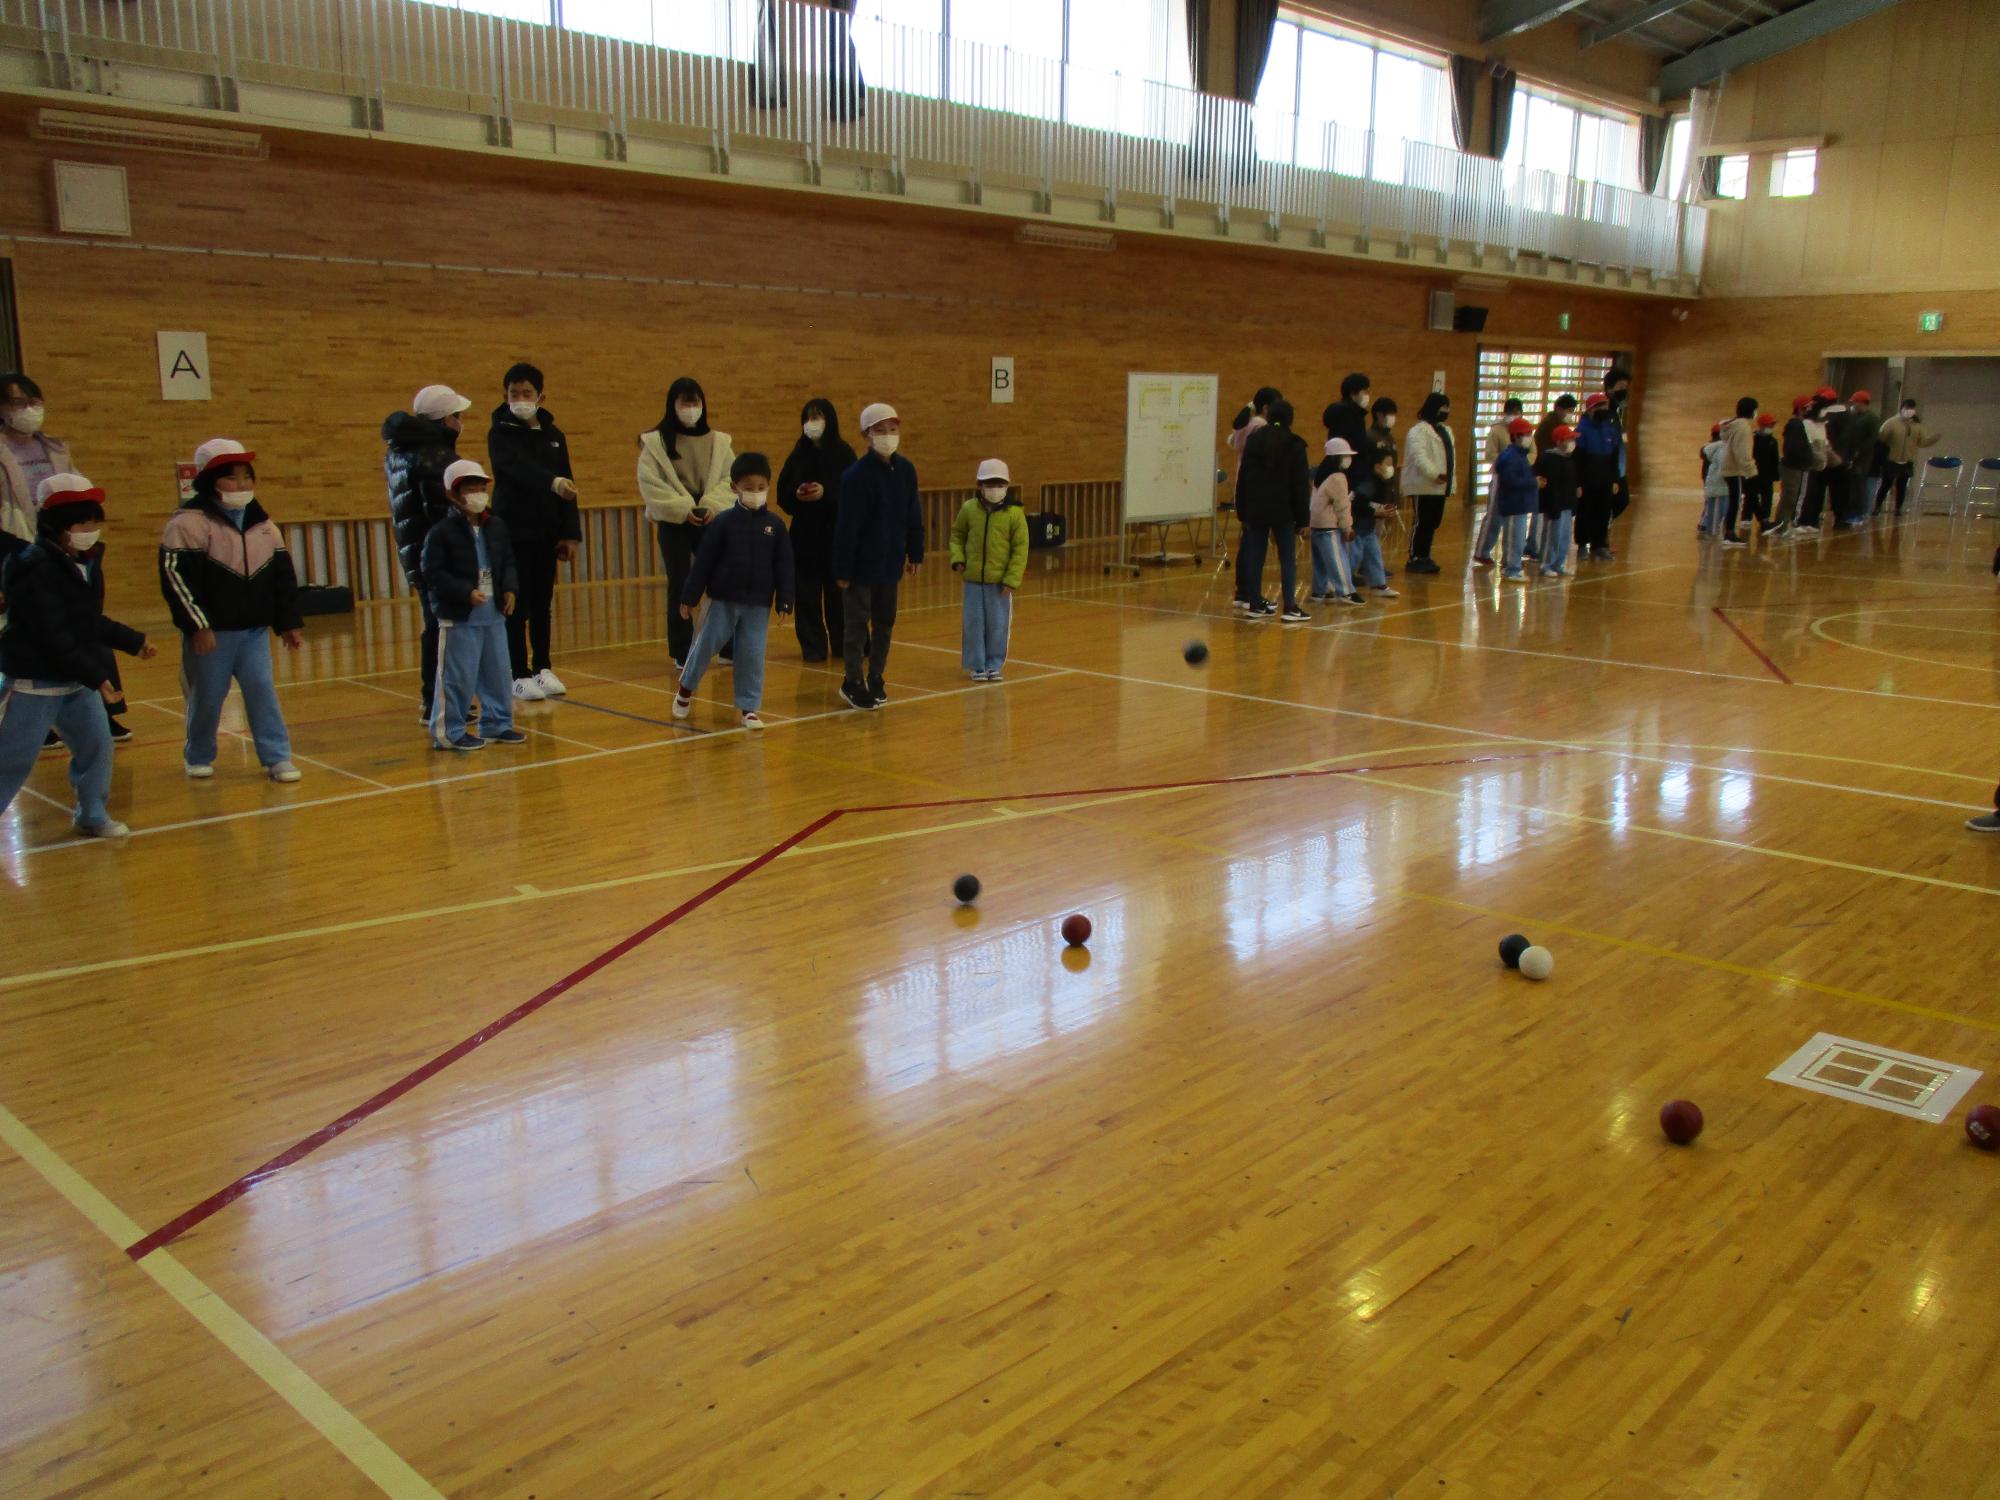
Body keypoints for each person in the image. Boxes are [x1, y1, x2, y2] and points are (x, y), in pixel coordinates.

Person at [0, 474, 156, 838]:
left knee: (97, 747)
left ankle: (92, 814)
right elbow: (54, 633)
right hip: (34, 682)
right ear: (58, 526)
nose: (91, 529)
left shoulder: (87, 563)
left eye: (93, 521)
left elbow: (87, 621)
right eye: (82, 522)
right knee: (12, 758)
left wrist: (132, 641)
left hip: (74, 681)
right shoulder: (32, 567)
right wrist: (97, 675)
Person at [159, 438, 305, 783]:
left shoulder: (264, 525)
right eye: (232, 478)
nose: (241, 485)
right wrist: (198, 626)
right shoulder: (187, 524)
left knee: (261, 689)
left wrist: (288, 622)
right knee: (208, 695)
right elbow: (177, 582)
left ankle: (276, 756)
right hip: (213, 634)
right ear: (211, 481)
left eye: (246, 477)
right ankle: (198, 753)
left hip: (253, 632)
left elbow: (282, 577)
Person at [1, 370, 129, 745]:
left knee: (85, 623)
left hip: (65, 543)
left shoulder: (55, 447)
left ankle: (106, 711)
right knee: (36, 631)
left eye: (34, 401)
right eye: (18, 402)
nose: (29, 409)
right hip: (16, 544)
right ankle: (38, 721)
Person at [672, 453, 794, 730]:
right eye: (748, 488)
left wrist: (785, 601)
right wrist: (689, 597)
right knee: (705, 647)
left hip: (758, 603)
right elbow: (703, 562)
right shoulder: (723, 523)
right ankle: (685, 690)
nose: (755, 493)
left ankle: (748, 708)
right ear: (735, 488)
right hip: (723, 600)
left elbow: (784, 566)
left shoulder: (775, 527)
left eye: (761, 487)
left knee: (751, 654)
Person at [487, 362, 579, 704]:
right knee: (517, 602)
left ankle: (542, 665)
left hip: (545, 531)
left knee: (543, 601)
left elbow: (569, 484)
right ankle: (518, 672)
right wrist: (550, 483)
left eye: (527, 394)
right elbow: (515, 469)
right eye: (514, 394)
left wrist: (570, 534)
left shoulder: (555, 436)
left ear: (541, 396)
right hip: (513, 531)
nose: (520, 399)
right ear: (506, 396)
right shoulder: (500, 433)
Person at [421, 459, 525, 752]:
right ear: (454, 495)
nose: (478, 493)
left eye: (481, 487)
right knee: (457, 678)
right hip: (460, 617)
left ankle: (497, 723)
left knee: (498, 673)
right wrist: (464, 592)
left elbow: (506, 562)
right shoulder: (441, 532)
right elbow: (433, 573)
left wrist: (510, 589)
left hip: (492, 616)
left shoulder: (497, 526)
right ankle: (449, 731)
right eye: (470, 488)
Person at [637, 377, 736, 668]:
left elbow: (730, 479)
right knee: (681, 584)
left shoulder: (719, 442)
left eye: (695, 402)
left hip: (710, 520)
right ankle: (682, 650)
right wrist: (683, 510)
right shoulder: (655, 443)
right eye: (685, 403)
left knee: (722, 580)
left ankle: (727, 645)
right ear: (673, 405)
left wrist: (709, 507)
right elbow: (650, 484)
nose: (691, 408)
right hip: (674, 524)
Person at [383, 383, 466, 726]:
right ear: (447, 419)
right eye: (457, 416)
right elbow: (442, 511)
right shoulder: (435, 456)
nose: (461, 423)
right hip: (437, 555)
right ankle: (439, 701)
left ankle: (437, 699)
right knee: (443, 628)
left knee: (436, 626)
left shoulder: (399, 451)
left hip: (415, 551)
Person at [832, 402, 923, 710]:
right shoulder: (855, 477)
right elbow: (847, 527)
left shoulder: (906, 471)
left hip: (890, 563)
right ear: (866, 435)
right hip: (860, 568)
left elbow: (913, 514)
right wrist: (842, 568)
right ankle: (853, 680)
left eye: (893, 430)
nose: (888, 436)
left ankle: (877, 676)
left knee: (885, 622)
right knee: (857, 625)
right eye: (880, 430)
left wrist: (915, 551)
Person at [776, 397, 855, 663]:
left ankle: (845, 644)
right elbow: (782, 495)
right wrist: (797, 494)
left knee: (839, 597)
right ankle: (813, 647)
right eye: (808, 418)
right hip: (805, 539)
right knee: (807, 597)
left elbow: (853, 494)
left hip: (835, 537)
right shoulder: (798, 454)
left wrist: (826, 493)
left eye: (818, 417)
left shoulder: (844, 454)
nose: (812, 423)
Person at [950, 458, 1030, 680]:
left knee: (998, 625)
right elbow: (957, 535)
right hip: (973, 579)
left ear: (1007, 485)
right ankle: (976, 665)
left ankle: (994, 664)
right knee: (974, 624)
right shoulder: (968, 509)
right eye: (990, 484)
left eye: (1000, 484)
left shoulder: (1014, 514)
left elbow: (1020, 549)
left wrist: (1011, 579)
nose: (995, 489)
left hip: (1000, 583)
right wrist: (958, 558)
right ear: (979, 485)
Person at [1235, 400, 1311, 623]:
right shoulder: (1295, 445)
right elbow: (1299, 485)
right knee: (1287, 558)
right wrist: (1303, 519)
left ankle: (1254, 604)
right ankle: (1290, 606)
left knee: (1255, 557)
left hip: (1256, 509)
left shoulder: (1254, 441)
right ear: (1290, 418)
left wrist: (1242, 509)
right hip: (1283, 511)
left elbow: (1244, 479)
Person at [1228, 387, 1281, 613]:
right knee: (1254, 543)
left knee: (1248, 540)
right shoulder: (1261, 427)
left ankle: (1243, 593)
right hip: (1255, 489)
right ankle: (1252, 596)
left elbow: (1232, 441)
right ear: (1267, 407)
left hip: (1242, 488)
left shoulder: (1244, 425)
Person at [1401, 392, 1455, 576]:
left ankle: (1426, 554)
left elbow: (1449, 457)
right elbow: (1419, 456)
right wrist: (1434, 473)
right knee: (1422, 521)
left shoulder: (1445, 431)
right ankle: (1415, 556)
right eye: (1442, 408)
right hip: (1422, 484)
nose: (1446, 411)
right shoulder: (1418, 431)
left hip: (1440, 486)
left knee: (1433, 522)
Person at [1472, 398, 1527, 566]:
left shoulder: (1525, 431)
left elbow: (1532, 453)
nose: (1514, 416)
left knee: (1516, 520)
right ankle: (1482, 551)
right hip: (1501, 478)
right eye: (1512, 412)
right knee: (1495, 516)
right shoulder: (1496, 431)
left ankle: (1511, 557)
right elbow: (1489, 454)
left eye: (1518, 412)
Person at [1309, 438, 1361, 606]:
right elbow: (1342, 506)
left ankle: (1319, 591)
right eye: (1345, 455)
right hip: (1329, 526)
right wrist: (1347, 528)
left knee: (1320, 562)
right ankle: (1346, 592)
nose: (1348, 459)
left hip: (1315, 523)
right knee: (1337, 559)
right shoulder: (1338, 477)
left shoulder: (1321, 473)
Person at [1573, 391, 1623, 561]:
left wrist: (1615, 478)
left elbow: (1615, 456)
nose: (1604, 409)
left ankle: (1599, 545)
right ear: (1590, 409)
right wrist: (1578, 482)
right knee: (1585, 511)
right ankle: (1582, 544)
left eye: (1605, 405)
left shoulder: (1610, 429)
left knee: (1603, 511)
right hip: (1588, 477)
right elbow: (1578, 459)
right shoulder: (1581, 430)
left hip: (1605, 476)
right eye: (1600, 406)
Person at [1349, 441, 1400, 600]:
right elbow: (1359, 504)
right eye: (1388, 464)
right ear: (1377, 467)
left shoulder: (1382, 483)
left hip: (1368, 527)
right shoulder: (1367, 483)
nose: (1391, 467)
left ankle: (1379, 584)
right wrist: (1376, 511)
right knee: (1353, 556)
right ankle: (1339, 583)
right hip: (1357, 526)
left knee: (1374, 554)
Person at [1876, 396, 1941, 518]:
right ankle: (1877, 506)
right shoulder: (1891, 422)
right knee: (1886, 484)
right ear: (1902, 408)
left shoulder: (1917, 426)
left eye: (1911, 408)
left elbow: (1922, 442)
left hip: (1907, 460)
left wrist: (1933, 440)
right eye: (1907, 408)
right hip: (1891, 459)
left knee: (1902, 486)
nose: (1909, 410)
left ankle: (1898, 509)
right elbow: (1881, 438)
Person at [1492, 418, 1539, 583]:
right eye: (1527, 434)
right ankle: (1511, 568)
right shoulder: (1510, 457)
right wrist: (1534, 482)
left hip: (1520, 504)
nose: (1529, 438)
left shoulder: (1520, 456)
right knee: (1514, 538)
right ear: (1517, 436)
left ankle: (1513, 565)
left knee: (1518, 537)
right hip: (1513, 504)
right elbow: (1512, 480)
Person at [1794, 386, 1842, 534]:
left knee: (1814, 494)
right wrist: (1814, 459)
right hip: (1809, 466)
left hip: (1820, 466)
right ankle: (1799, 521)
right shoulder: (1807, 425)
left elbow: (1826, 445)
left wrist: (1836, 460)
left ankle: (1810, 520)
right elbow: (1808, 446)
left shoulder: (1821, 425)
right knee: (1804, 493)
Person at [1535, 424, 1578, 578]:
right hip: (1555, 506)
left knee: (1564, 537)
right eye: (1569, 439)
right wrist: (1552, 506)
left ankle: (1558, 564)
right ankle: (1546, 564)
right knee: (1552, 536)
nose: (1573, 442)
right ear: (1559, 441)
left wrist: (1573, 505)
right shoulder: (1549, 459)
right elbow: (1548, 486)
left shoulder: (1569, 460)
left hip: (1566, 505)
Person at [1367, 397, 1402, 575]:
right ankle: (1368, 566)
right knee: (1369, 532)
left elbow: (1393, 465)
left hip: (1386, 491)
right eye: (1390, 414)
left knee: (1379, 531)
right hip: (1373, 492)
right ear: (1379, 415)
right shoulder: (1370, 437)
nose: (1392, 418)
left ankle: (1374, 564)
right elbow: (1369, 464)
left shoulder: (1390, 438)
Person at [1718, 397, 1758, 547]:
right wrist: (1750, 469)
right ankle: (1729, 534)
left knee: (1735, 501)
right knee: (1736, 503)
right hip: (1736, 470)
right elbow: (1742, 452)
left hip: (1730, 468)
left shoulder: (1735, 426)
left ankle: (1729, 532)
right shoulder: (1743, 428)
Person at [1773, 395, 1813, 537]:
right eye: (1808, 407)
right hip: (1792, 467)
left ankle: (1783, 525)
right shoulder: (1795, 425)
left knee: (1791, 497)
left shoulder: (1798, 424)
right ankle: (1781, 527)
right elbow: (1793, 448)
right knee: (1789, 498)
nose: (1811, 409)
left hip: (1795, 467)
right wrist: (1804, 459)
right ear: (1801, 409)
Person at [1840, 390, 1881, 527]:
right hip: (1850, 456)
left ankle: (1859, 513)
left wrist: (1859, 451)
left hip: (1862, 459)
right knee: (1849, 485)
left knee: (1859, 485)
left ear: (1862, 403)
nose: (1853, 405)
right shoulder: (1854, 416)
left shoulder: (1871, 418)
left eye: (1855, 402)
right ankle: (1848, 511)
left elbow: (1872, 439)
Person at [1321, 373, 1372, 459]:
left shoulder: (1354, 413)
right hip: (1350, 465)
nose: (1367, 395)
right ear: (1353, 394)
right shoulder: (1348, 414)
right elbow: (1356, 444)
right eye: (1364, 392)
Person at [1748, 412, 1780, 536]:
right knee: (1752, 497)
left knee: (1767, 498)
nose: (1770, 427)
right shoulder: (1752, 438)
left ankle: (1765, 520)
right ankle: (1746, 518)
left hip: (1767, 475)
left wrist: (1776, 475)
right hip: (1754, 473)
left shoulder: (1773, 441)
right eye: (1768, 425)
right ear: (1761, 425)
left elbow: (1775, 459)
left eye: (1772, 425)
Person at [1699, 423, 1730, 540]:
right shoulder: (1722, 448)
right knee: (1718, 504)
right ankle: (1708, 525)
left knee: (1709, 502)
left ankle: (1704, 523)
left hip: (1707, 478)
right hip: (1717, 479)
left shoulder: (1707, 447)